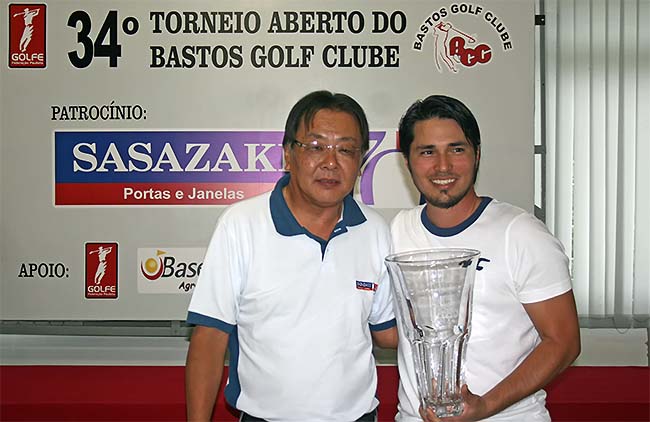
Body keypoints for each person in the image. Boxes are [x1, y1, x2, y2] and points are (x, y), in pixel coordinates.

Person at [185, 90, 398, 422]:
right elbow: (209, 338)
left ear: (361, 163)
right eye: (315, 147)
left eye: (346, 149)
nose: (330, 162)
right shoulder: (242, 224)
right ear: (288, 154)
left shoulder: (375, 230)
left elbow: (387, 331)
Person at [390, 95, 580, 421]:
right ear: (407, 161)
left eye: (457, 149)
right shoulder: (397, 231)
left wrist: (485, 406)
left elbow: (563, 342)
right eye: (427, 152)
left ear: (477, 155)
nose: (443, 166)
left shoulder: (521, 234)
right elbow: (392, 329)